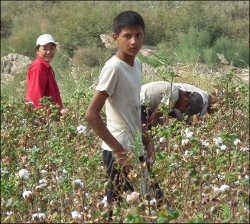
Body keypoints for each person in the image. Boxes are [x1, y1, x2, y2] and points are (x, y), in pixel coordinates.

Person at [85, 11, 162, 214]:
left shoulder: (137, 64)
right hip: (117, 149)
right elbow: (91, 114)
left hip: (134, 144)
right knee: (119, 207)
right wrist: (119, 152)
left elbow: (132, 109)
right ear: (115, 38)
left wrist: (147, 139)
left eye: (138, 35)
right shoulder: (114, 68)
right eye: (127, 36)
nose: (134, 41)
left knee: (150, 200)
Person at [140, 81, 217, 128]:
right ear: (186, 101)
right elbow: (156, 115)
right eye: (185, 108)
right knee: (143, 136)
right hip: (139, 104)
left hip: (141, 102)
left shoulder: (175, 92)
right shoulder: (174, 94)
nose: (182, 111)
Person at [25, 34, 63, 113]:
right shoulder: (38, 67)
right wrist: (40, 119)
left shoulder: (46, 67)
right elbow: (35, 96)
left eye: (52, 48)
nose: (49, 52)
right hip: (42, 119)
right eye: (45, 49)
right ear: (37, 50)